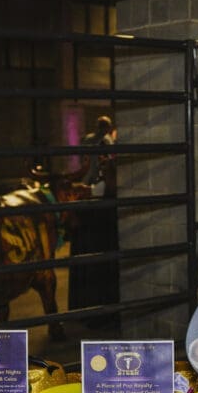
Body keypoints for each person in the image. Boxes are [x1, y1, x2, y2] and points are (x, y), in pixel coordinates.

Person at [69, 115, 120, 328]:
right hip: (96, 203)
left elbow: (106, 182)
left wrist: (87, 188)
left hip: (95, 203)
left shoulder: (91, 141)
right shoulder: (104, 143)